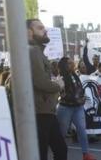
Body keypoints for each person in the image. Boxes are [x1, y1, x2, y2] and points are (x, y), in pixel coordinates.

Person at [27, 19, 67, 160]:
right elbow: (40, 82)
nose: (45, 30)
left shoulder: (38, 52)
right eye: (40, 28)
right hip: (39, 112)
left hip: (46, 110)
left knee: (60, 149)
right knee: (43, 153)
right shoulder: (32, 51)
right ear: (29, 32)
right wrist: (58, 85)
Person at [56, 57, 96, 160]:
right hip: (65, 108)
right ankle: (59, 155)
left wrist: (81, 98)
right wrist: (76, 99)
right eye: (69, 63)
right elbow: (62, 94)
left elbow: (80, 90)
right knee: (62, 133)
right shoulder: (60, 78)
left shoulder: (75, 75)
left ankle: (86, 154)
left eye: (72, 63)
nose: (72, 64)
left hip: (78, 107)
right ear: (64, 66)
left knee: (82, 129)